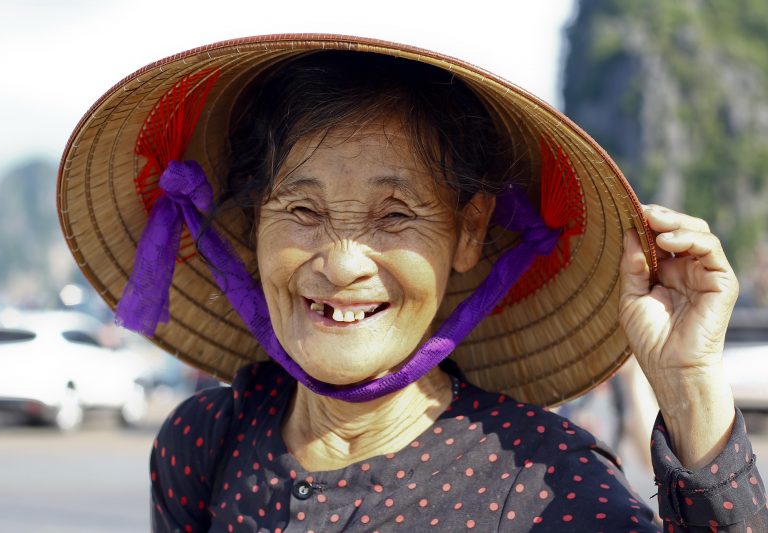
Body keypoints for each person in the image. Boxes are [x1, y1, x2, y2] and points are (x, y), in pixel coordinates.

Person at [57, 35, 766, 531]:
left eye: (394, 215)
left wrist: (688, 386)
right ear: (250, 225)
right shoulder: (204, 445)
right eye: (302, 210)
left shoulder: (544, 482)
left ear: (466, 232)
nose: (340, 264)